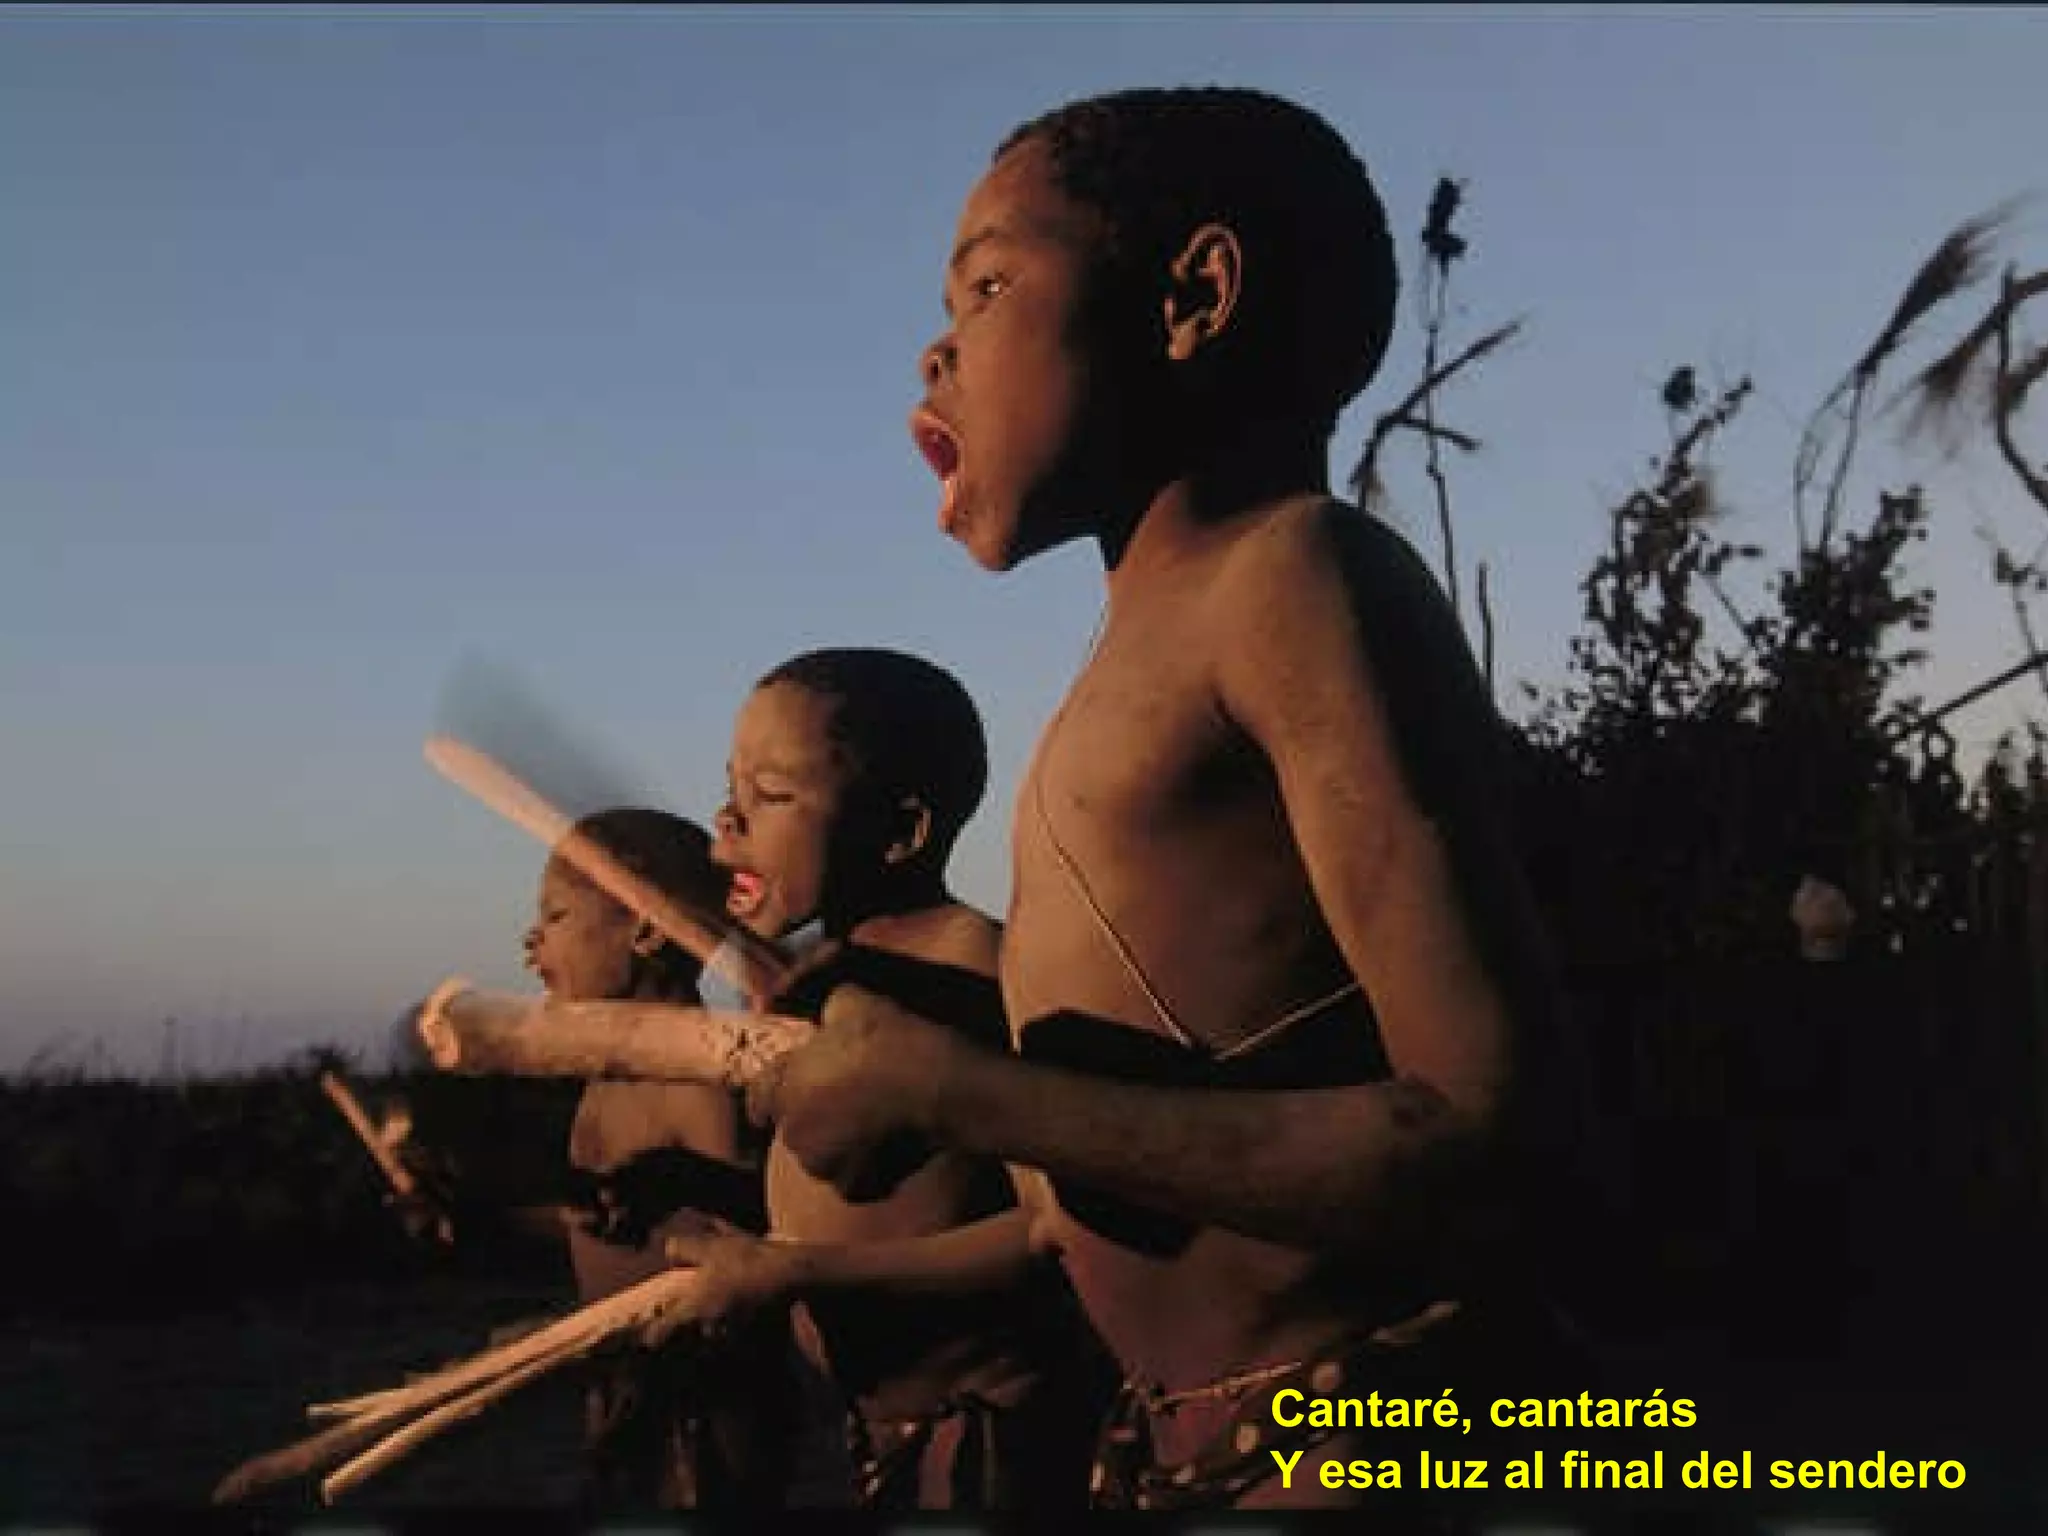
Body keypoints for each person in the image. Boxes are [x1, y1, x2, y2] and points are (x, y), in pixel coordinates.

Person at [752, 88, 1569, 1510]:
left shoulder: (1295, 578)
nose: (939, 344)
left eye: (991, 283)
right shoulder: (1124, 671)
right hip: (1200, 1458)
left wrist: (961, 1093)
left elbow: (1485, 1129)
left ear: (1192, 296)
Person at [660, 647, 1111, 1511]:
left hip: (996, 1441)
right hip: (880, 1438)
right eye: (731, 787)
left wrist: (800, 1275)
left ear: (901, 831)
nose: (728, 820)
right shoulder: (815, 982)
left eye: (773, 794)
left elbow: (1053, 1233)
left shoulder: (977, 973)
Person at [522, 806, 784, 1511]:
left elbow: (753, 1233)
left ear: (642, 928)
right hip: (623, 1388)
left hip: (702, 1404)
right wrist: (480, 1208)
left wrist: (682, 1183)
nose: (529, 940)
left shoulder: (699, 1075)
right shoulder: (606, 1076)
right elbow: (606, 1224)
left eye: (554, 917)